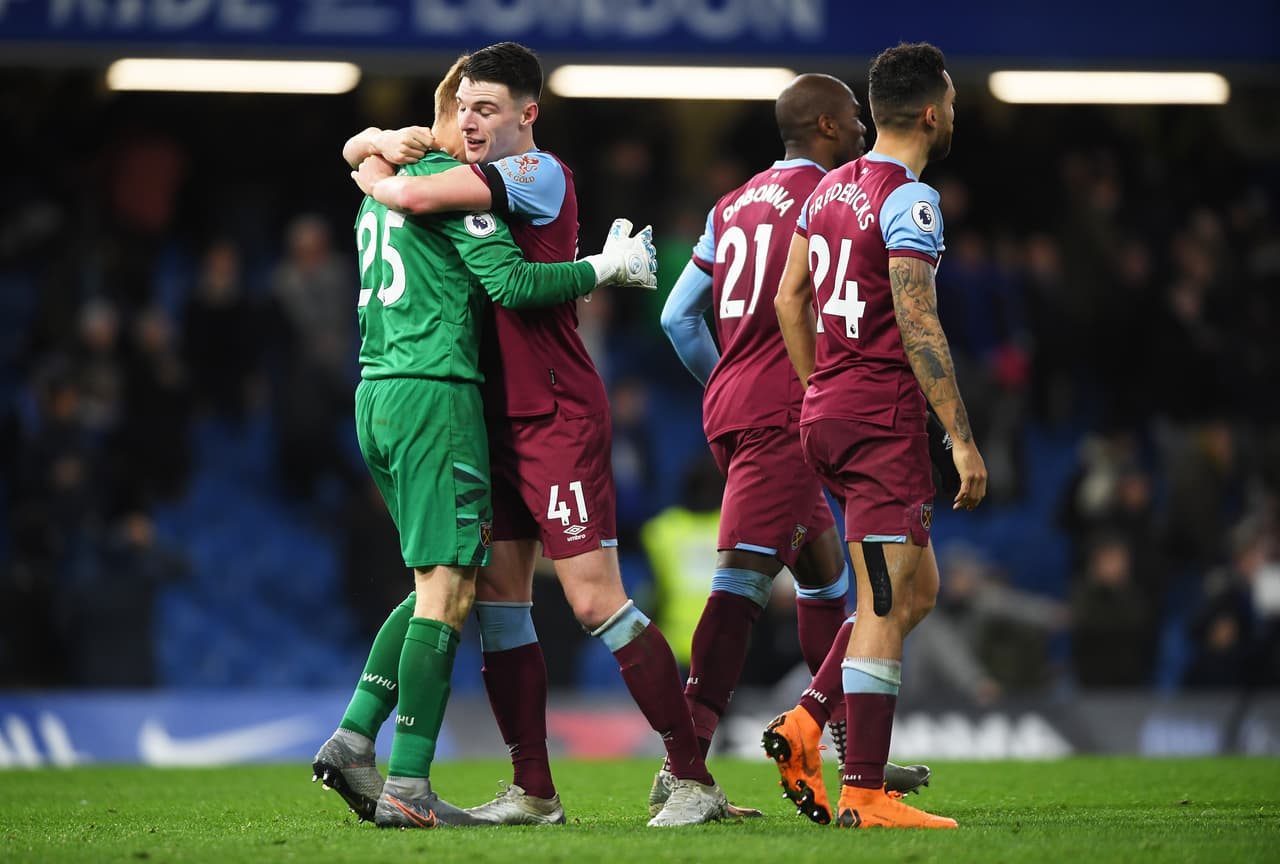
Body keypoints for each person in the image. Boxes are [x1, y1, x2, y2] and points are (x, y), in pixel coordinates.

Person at [326, 43, 727, 828]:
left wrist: (376, 163)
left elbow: (407, 197)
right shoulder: (462, 177)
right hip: (483, 415)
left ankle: (692, 778)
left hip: (553, 413)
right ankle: (533, 792)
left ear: (526, 116)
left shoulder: (537, 175)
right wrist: (372, 148)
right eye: (465, 107)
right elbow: (379, 171)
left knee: (591, 600)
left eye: (488, 109)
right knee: (499, 605)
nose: (472, 121)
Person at [658, 73, 929, 814]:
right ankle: (684, 770)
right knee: (742, 584)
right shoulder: (835, 197)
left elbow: (679, 319)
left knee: (822, 575)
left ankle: (843, 749)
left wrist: (726, 383)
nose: (864, 131)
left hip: (740, 408)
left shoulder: (731, 204)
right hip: (790, 407)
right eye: (852, 119)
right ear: (828, 127)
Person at [769, 42, 987, 830]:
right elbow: (919, 321)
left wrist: (819, 384)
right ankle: (863, 791)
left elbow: (791, 297)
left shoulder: (828, 189)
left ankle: (804, 724)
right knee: (886, 603)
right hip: (881, 417)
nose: (955, 113)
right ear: (932, 112)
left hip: (828, 411)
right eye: (954, 102)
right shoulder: (910, 201)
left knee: (909, 589)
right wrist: (959, 437)